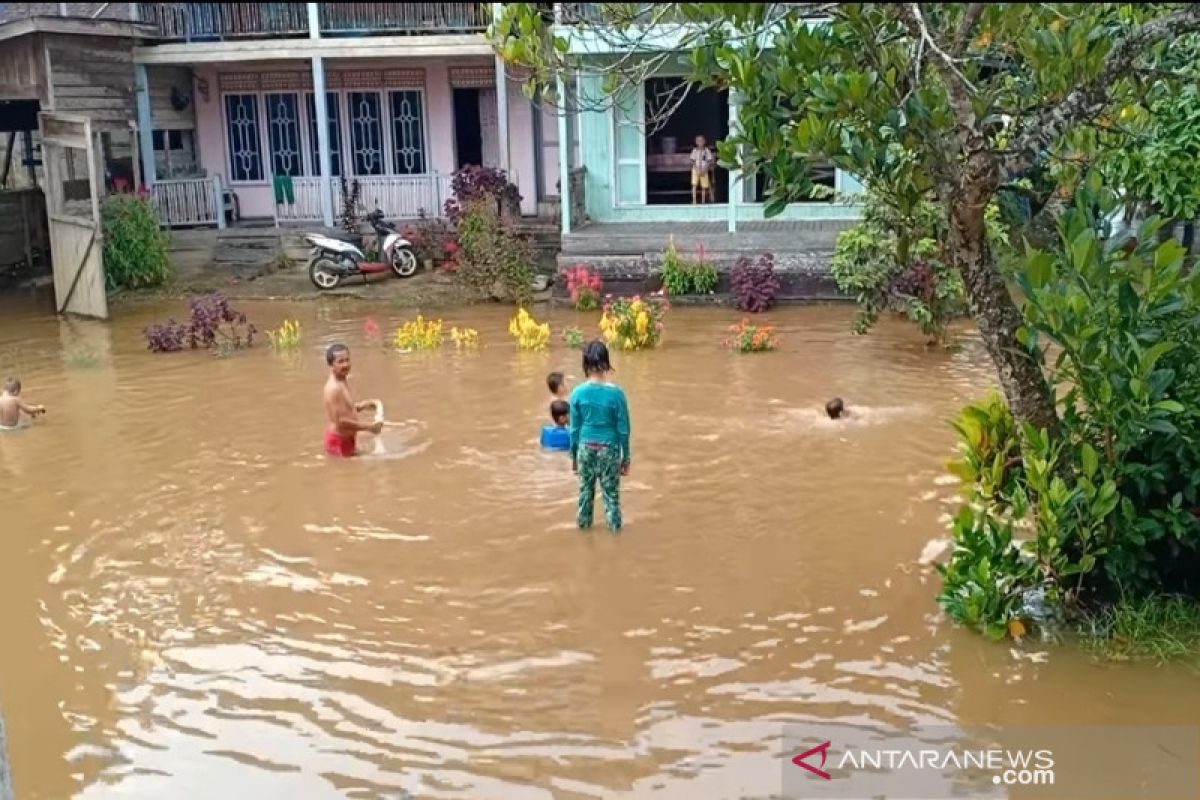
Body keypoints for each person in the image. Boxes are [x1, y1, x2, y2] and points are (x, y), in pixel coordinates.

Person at [570, 340, 631, 531]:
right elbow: (623, 430)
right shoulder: (617, 394)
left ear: (585, 364)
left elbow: (574, 430)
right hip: (609, 450)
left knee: (585, 495)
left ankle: (583, 536)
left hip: (585, 448)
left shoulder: (577, 393)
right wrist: (626, 458)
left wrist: (573, 457)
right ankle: (615, 539)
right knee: (611, 498)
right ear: (606, 362)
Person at [323, 344, 382, 457]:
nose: (345, 365)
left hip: (346, 439)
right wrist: (369, 427)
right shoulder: (333, 388)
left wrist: (361, 406)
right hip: (339, 442)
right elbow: (340, 422)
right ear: (331, 365)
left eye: (347, 360)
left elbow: (343, 408)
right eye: (340, 362)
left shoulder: (341, 379)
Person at [690, 134, 714, 205]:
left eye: (701, 140)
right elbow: (692, 161)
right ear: (696, 142)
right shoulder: (694, 150)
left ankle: (703, 201)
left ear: (704, 141)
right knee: (694, 185)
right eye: (698, 141)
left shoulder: (706, 151)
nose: (700, 142)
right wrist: (697, 169)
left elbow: (709, 161)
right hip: (695, 170)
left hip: (704, 170)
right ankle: (694, 201)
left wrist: (705, 169)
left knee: (704, 186)